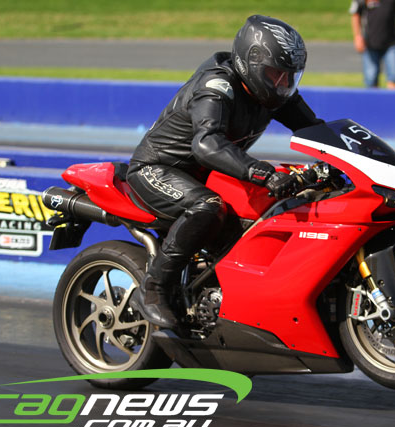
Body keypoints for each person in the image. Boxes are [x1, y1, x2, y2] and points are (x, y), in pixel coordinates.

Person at [127, 15, 322, 328]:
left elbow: (314, 129)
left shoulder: (275, 92)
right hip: (158, 168)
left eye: (289, 76)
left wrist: (347, 158)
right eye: (276, 73)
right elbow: (206, 144)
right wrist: (263, 173)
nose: (283, 83)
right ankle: (153, 289)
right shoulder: (217, 87)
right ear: (252, 63)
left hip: (207, 172)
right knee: (208, 206)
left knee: (261, 214)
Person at [350, 0, 395, 89]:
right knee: (371, 80)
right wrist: (357, 37)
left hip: (391, 43)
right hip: (370, 44)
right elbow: (355, 15)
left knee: (394, 78)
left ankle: (393, 98)